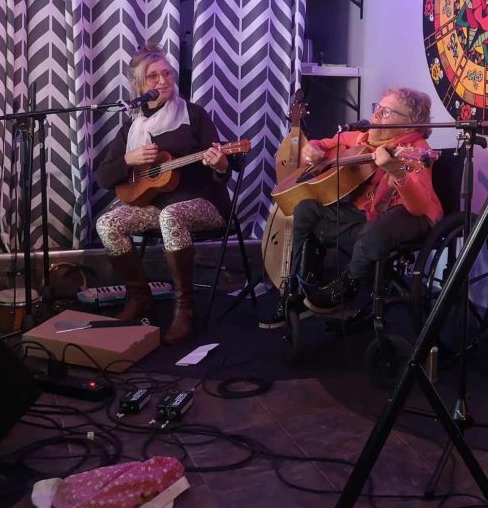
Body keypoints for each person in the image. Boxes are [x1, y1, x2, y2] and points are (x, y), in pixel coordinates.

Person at [265, 87, 444, 326]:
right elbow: (325, 144)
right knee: (306, 208)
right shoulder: (361, 136)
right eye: (377, 108)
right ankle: (297, 287)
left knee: (376, 231)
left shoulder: (416, 150)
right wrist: (315, 149)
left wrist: (396, 171)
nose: (377, 115)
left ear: (411, 125)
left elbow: (418, 207)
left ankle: (345, 287)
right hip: (366, 214)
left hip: (408, 215)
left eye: (387, 112)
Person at [95, 44, 231, 345]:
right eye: (153, 76)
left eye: (167, 74)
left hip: (202, 202)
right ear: (139, 86)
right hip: (153, 205)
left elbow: (222, 170)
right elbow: (103, 177)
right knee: (106, 223)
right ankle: (139, 297)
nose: (162, 81)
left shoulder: (193, 115)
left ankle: (186, 308)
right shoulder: (132, 126)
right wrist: (129, 160)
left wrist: (220, 163)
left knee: (171, 215)